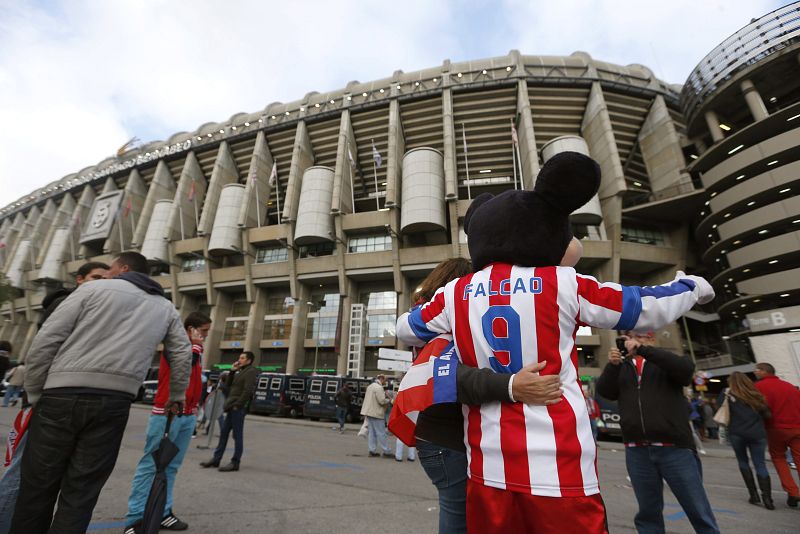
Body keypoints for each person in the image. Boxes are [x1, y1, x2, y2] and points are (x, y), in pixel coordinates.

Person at [12, 251, 191, 534]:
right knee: (81, 492)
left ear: (123, 268)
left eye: (110, 268)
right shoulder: (166, 307)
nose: (107, 273)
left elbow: (47, 340)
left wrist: (33, 392)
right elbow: (182, 353)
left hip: (61, 396)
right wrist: (177, 396)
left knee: (37, 487)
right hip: (115, 403)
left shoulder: (94, 289)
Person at [390, 256, 564, 534]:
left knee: (463, 514)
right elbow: (454, 377)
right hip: (447, 440)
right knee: (460, 518)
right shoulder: (447, 324)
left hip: (437, 437)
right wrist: (512, 385)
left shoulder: (426, 323)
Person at [596, 332, 719, 534]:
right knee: (648, 511)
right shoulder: (624, 367)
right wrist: (612, 366)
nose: (633, 340)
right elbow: (606, 392)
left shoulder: (665, 362)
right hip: (637, 450)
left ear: (651, 340)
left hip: (674, 448)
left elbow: (685, 371)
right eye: (630, 337)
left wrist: (643, 350)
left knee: (697, 508)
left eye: (640, 337)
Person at [124, 311, 212, 534]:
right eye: (203, 332)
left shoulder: (195, 350)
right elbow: (185, 365)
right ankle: (135, 518)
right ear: (191, 329)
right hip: (167, 413)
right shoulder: (178, 347)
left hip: (187, 414)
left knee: (171, 466)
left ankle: (163, 512)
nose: (205, 337)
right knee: (150, 465)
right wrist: (195, 345)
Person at [200, 351, 259, 472]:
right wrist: (232, 371)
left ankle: (235, 462)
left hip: (237, 408)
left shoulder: (251, 371)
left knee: (237, 436)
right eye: (239, 358)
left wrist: (238, 405)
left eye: (242, 358)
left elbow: (247, 391)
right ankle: (216, 459)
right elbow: (227, 385)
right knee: (224, 434)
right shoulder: (240, 371)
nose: (239, 360)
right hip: (231, 407)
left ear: (249, 360)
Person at [753, 362, 800, 508]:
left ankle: (793, 492)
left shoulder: (759, 387)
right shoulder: (790, 386)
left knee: (779, 458)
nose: (755, 372)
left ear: (763, 371)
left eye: (757, 369)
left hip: (775, 428)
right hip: (797, 427)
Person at [725, 371, 774, 509]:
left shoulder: (727, 395)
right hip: (757, 434)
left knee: (743, 462)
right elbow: (768, 415)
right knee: (760, 464)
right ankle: (768, 499)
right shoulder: (756, 395)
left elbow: (721, 411)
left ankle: (753, 495)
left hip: (737, 433)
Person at [37, 261, 109, 329]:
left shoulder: (103, 301)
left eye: (105, 279)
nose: (102, 281)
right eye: (96, 277)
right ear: (80, 279)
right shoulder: (64, 302)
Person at [361, 374, 392, 457]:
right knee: (381, 433)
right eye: (385, 380)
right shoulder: (379, 388)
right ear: (381, 379)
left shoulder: (370, 386)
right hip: (376, 413)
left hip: (369, 412)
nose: (386, 382)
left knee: (372, 433)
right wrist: (389, 400)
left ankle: (372, 450)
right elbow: (381, 401)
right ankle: (386, 451)